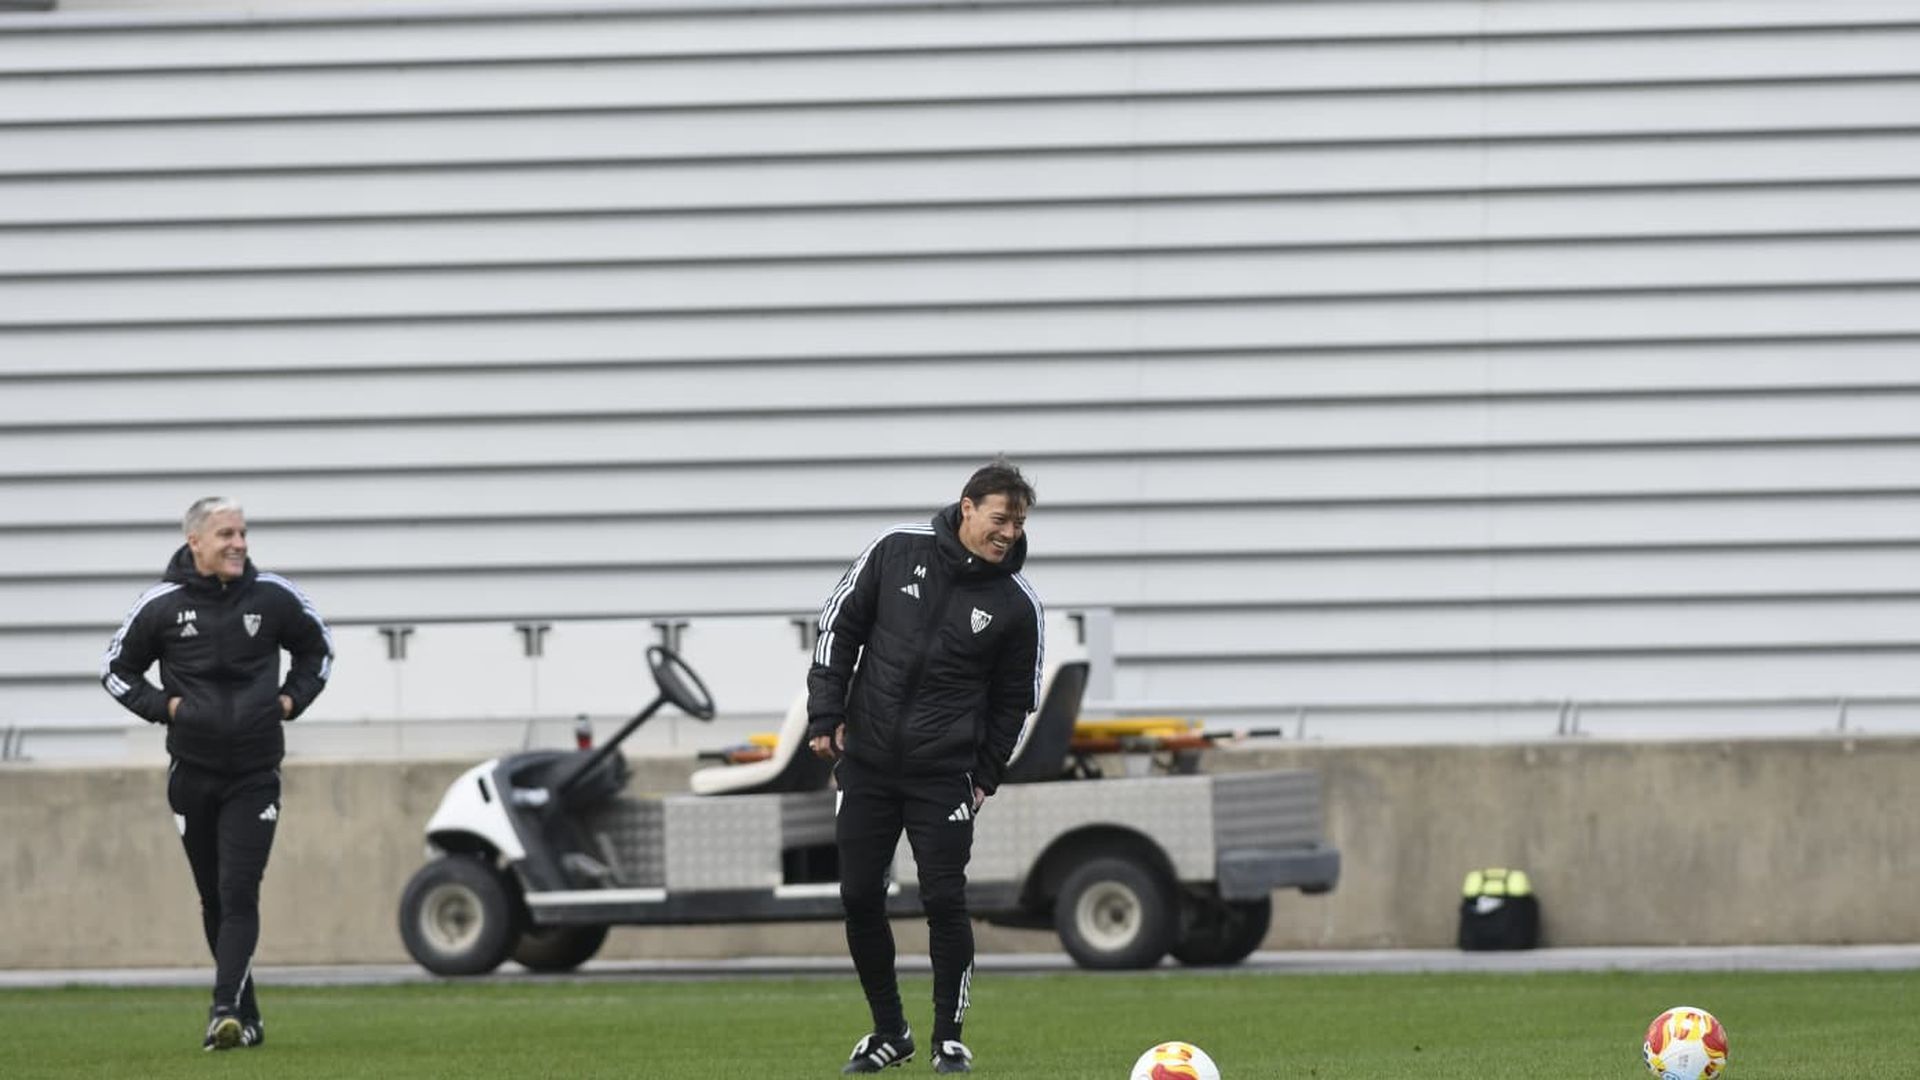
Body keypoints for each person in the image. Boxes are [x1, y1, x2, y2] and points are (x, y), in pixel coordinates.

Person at [807, 460, 1044, 1075]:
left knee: (944, 899)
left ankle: (949, 1038)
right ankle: (890, 1032)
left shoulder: (1018, 606)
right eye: (1000, 519)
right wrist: (825, 712)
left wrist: (985, 775)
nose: (1009, 534)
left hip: (944, 776)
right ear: (967, 508)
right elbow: (837, 628)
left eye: (1018, 524)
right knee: (860, 895)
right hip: (867, 765)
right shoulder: (895, 550)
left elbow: (1015, 702)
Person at [100, 497, 334, 1051]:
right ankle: (247, 1017)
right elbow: (115, 669)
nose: (239, 544)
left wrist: (289, 701)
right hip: (193, 773)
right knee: (214, 899)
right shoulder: (161, 604)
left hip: (254, 772)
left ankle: (222, 1010)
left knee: (239, 890)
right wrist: (167, 708)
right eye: (226, 534)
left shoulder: (273, 596)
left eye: (243, 533)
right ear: (195, 542)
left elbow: (318, 652)